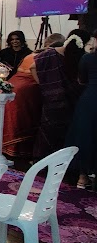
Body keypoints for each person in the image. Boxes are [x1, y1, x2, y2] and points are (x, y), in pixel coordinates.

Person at [32, 28, 89, 161]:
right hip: (71, 100)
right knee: (65, 131)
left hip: (51, 98)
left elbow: (32, 67)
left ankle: (42, 161)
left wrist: (43, 84)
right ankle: (62, 161)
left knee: (47, 130)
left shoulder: (50, 53)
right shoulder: (82, 56)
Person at [66, 30, 97, 188]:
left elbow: (82, 80)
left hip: (90, 99)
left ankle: (83, 176)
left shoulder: (88, 58)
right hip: (90, 99)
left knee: (85, 135)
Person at [2, 48, 42, 159]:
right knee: (22, 119)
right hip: (26, 90)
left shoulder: (29, 55)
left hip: (13, 84)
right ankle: (18, 149)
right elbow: (33, 68)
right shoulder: (43, 56)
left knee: (10, 118)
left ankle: (7, 147)